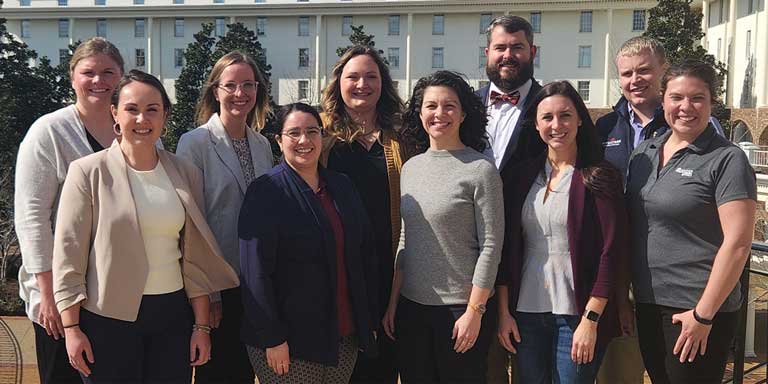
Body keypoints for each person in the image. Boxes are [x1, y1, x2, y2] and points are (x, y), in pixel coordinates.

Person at [52, 69, 240, 383]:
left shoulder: (185, 172)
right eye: (132, 109)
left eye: (152, 109)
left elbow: (194, 258)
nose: (142, 119)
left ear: (165, 114)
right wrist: (71, 329)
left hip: (172, 317)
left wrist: (201, 326)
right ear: (115, 112)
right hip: (107, 320)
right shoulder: (87, 172)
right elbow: (69, 256)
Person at [626, 60, 756, 384]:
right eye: (676, 97)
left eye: (697, 98)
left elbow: (738, 244)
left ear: (712, 102)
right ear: (663, 99)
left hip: (696, 310)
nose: (686, 107)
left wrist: (703, 314)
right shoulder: (644, 153)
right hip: (649, 304)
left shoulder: (727, 159)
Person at [496, 80, 627, 384]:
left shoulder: (599, 176)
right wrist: (504, 314)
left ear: (580, 118)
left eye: (565, 115)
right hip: (525, 312)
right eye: (547, 117)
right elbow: (507, 249)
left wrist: (591, 320)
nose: (557, 125)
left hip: (577, 314)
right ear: (536, 124)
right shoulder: (520, 177)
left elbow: (611, 251)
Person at [238, 103, 378, 384]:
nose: (304, 140)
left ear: (322, 136)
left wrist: (367, 321)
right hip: (290, 342)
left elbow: (364, 253)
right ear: (278, 140)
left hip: (342, 334)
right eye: (294, 133)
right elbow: (255, 274)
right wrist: (272, 337)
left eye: (312, 131)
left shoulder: (342, 186)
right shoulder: (266, 191)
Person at [382, 70, 504, 383]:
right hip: (412, 310)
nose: (440, 114)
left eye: (449, 106)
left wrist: (475, 313)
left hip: (459, 312)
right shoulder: (411, 168)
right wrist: (394, 301)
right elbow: (405, 239)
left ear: (464, 113)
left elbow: (491, 245)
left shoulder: (480, 170)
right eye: (431, 106)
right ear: (419, 113)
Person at [14, 37, 124, 384]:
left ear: (121, 77)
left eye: (108, 72)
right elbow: (32, 217)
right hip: (61, 292)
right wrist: (47, 293)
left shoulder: (134, 128)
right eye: (89, 72)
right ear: (72, 76)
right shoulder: (48, 131)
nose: (99, 81)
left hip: (115, 290)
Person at [176, 50, 273, 384]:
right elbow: (191, 224)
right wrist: (208, 294)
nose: (240, 93)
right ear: (215, 90)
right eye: (231, 85)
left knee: (249, 372)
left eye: (248, 84)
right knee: (218, 374)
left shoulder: (263, 145)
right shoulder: (194, 143)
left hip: (256, 283)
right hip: (217, 286)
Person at [320, 45, 410, 384]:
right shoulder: (322, 138)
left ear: (383, 84)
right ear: (338, 82)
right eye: (353, 76)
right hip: (339, 272)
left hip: (389, 270)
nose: (362, 84)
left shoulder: (400, 138)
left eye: (371, 77)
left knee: (383, 366)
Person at [476, 17, 542, 382]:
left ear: (532, 52)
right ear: (487, 54)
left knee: (534, 366)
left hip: (534, 255)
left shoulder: (552, 106)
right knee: (484, 367)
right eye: (500, 48)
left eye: (517, 47)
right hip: (475, 259)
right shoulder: (464, 107)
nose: (508, 55)